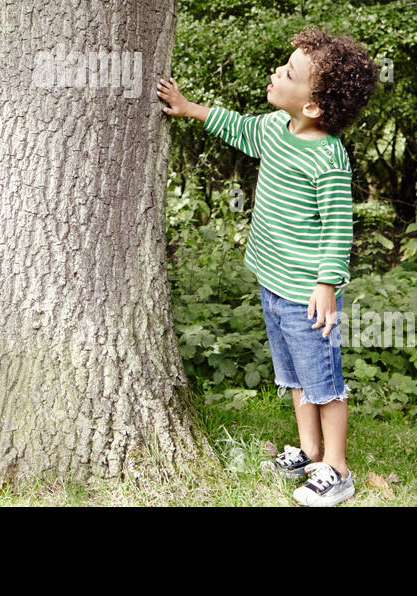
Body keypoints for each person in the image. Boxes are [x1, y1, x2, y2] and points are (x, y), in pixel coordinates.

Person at [156, 27, 377, 506]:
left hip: (307, 293)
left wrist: (326, 284)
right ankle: (308, 450)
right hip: (273, 283)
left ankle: (337, 469)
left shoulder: (327, 158)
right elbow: (238, 127)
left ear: (313, 106)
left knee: (324, 383)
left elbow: (339, 228)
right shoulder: (276, 129)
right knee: (294, 376)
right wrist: (191, 108)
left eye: (290, 71)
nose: (278, 71)